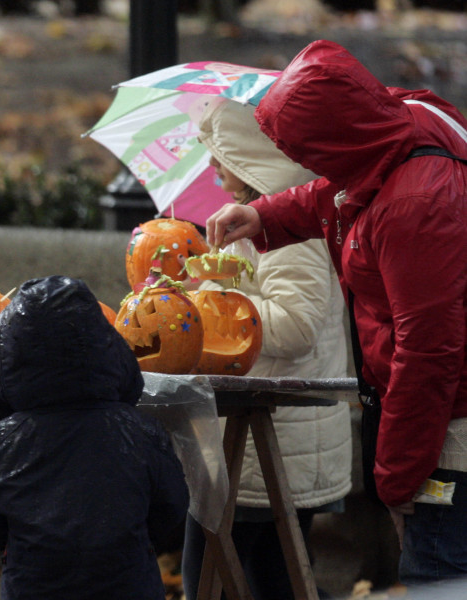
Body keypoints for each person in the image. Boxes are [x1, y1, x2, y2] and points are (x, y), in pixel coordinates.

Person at [207, 39, 467, 585]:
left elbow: (429, 356)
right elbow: (349, 188)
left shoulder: (416, 207)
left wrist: (395, 483)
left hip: (453, 435)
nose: (303, 165)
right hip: (435, 421)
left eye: (309, 154)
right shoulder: (407, 120)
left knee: (439, 575)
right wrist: (265, 215)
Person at [181, 98, 352, 600]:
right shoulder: (257, 222)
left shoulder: (292, 234)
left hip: (277, 441)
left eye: (222, 157)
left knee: (214, 571)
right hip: (255, 438)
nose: (212, 169)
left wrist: (213, 297)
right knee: (271, 573)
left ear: (254, 159)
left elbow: (297, 327)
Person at [0, 275, 190, 600]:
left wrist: (22, 543)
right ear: (107, 350)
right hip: (128, 582)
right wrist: (130, 538)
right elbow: (171, 505)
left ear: (10, 359)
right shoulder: (142, 432)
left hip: (33, 586)